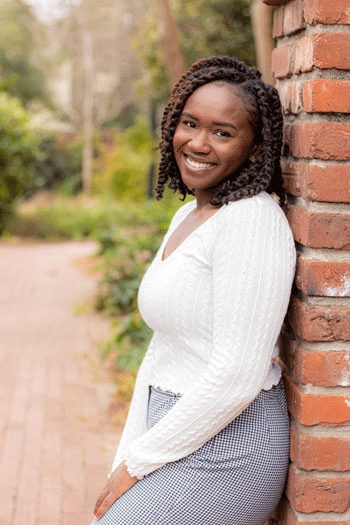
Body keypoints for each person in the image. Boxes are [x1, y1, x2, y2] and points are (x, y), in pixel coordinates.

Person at [91, 55, 296, 525]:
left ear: (256, 145)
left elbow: (237, 376)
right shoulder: (190, 216)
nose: (198, 143)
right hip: (175, 429)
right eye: (190, 124)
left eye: (222, 132)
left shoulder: (252, 221)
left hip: (230, 448)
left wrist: (137, 464)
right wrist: (130, 453)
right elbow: (162, 352)